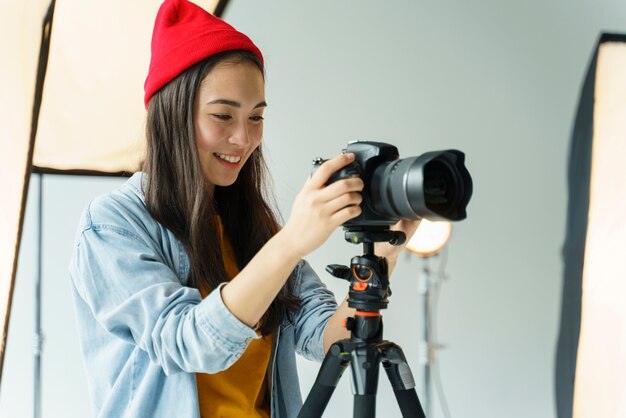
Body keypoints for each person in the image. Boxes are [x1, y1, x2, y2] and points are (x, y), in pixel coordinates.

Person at [69, 1, 418, 417]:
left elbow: (326, 339)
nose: (243, 138)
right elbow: (189, 344)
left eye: (256, 117)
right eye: (223, 116)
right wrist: (290, 242)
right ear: (171, 116)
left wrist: (385, 253)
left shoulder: (252, 227)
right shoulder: (113, 226)